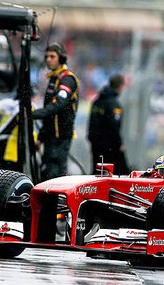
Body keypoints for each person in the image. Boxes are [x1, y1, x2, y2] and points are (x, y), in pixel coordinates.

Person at [32, 42, 80, 181]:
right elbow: (50, 113)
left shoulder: (67, 79)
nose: (48, 59)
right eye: (46, 56)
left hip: (61, 136)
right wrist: (40, 138)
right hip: (50, 136)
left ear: (62, 58)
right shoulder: (54, 78)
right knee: (46, 172)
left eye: (52, 56)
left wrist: (32, 115)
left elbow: (57, 105)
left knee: (55, 175)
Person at [88, 73, 130, 175]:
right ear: (120, 86)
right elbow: (114, 126)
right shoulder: (113, 104)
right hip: (110, 146)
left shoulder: (96, 101)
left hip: (96, 144)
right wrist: (119, 144)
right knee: (122, 172)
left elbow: (91, 122)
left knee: (98, 172)